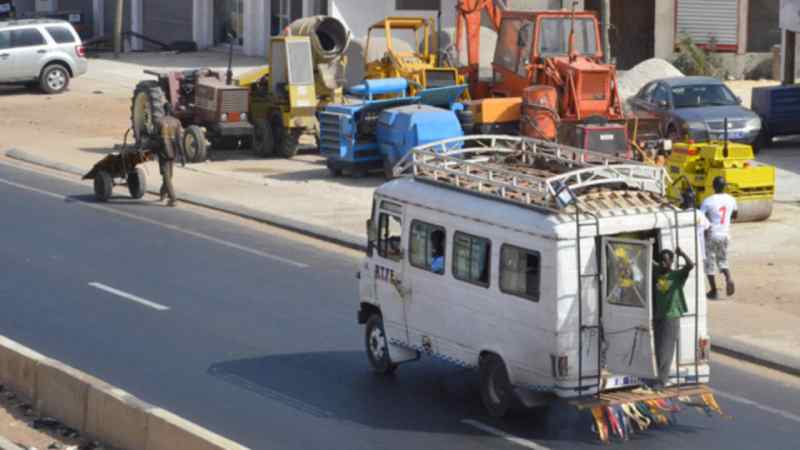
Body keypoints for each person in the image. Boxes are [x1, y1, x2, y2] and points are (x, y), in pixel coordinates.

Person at [653, 247, 694, 386]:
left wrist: (682, 254)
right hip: (659, 315)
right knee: (659, 349)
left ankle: (662, 380)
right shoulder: (657, 274)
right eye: (661, 261)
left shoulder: (677, 276)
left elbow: (690, 265)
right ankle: (660, 377)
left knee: (666, 349)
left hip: (671, 316)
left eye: (666, 261)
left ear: (671, 262)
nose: (663, 264)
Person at [700, 176, 737, 299]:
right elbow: (735, 215)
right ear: (724, 186)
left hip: (712, 234)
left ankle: (714, 290)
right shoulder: (731, 199)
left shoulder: (708, 201)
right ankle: (728, 278)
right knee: (723, 260)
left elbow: (701, 218)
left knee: (709, 263)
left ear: (713, 186)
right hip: (725, 234)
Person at [157, 103, 183, 207]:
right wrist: (182, 155)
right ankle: (162, 193)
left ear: (164, 110)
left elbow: (155, 137)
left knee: (166, 175)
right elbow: (179, 141)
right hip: (173, 152)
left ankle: (173, 199)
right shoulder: (177, 122)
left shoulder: (159, 122)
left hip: (163, 151)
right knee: (169, 174)